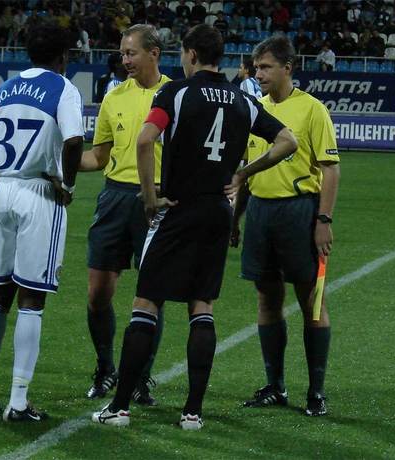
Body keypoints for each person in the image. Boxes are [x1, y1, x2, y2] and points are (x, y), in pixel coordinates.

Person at [91, 23, 297, 431]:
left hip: (177, 208)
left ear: (190, 54)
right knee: (201, 307)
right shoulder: (242, 99)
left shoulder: (176, 93)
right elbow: (287, 141)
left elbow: (145, 139)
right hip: (218, 212)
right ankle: (192, 412)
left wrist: (148, 197)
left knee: (146, 303)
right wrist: (243, 173)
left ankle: (119, 407)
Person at [0, 22, 84, 422]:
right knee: (32, 299)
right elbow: (74, 140)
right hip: (39, 193)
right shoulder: (62, 88)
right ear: (63, 57)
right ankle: (18, 401)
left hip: (3, 189)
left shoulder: (3, 89)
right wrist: (68, 184)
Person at [231, 35, 340, 417]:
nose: (258, 74)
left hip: (300, 212)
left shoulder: (312, 109)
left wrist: (323, 219)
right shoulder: (254, 111)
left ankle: (316, 391)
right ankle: (275, 385)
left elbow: (330, 169)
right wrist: (236, 218)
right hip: (261, 212)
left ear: (287, 68)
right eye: (256, 68)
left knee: (313, 300)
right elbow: (245, 173)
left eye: (266, 67)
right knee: (267, 298)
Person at [80, 24, 171, 405]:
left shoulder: (175, 94)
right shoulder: (113, 96)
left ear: (154, 53)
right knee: (98, 293)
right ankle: (106, 368)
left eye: (131, 53)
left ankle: (140, 378)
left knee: (151, 296)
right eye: (122, 54)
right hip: (115, 197)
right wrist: (61, 161)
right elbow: (98, 157)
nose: (125, 60)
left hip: (159, 200)